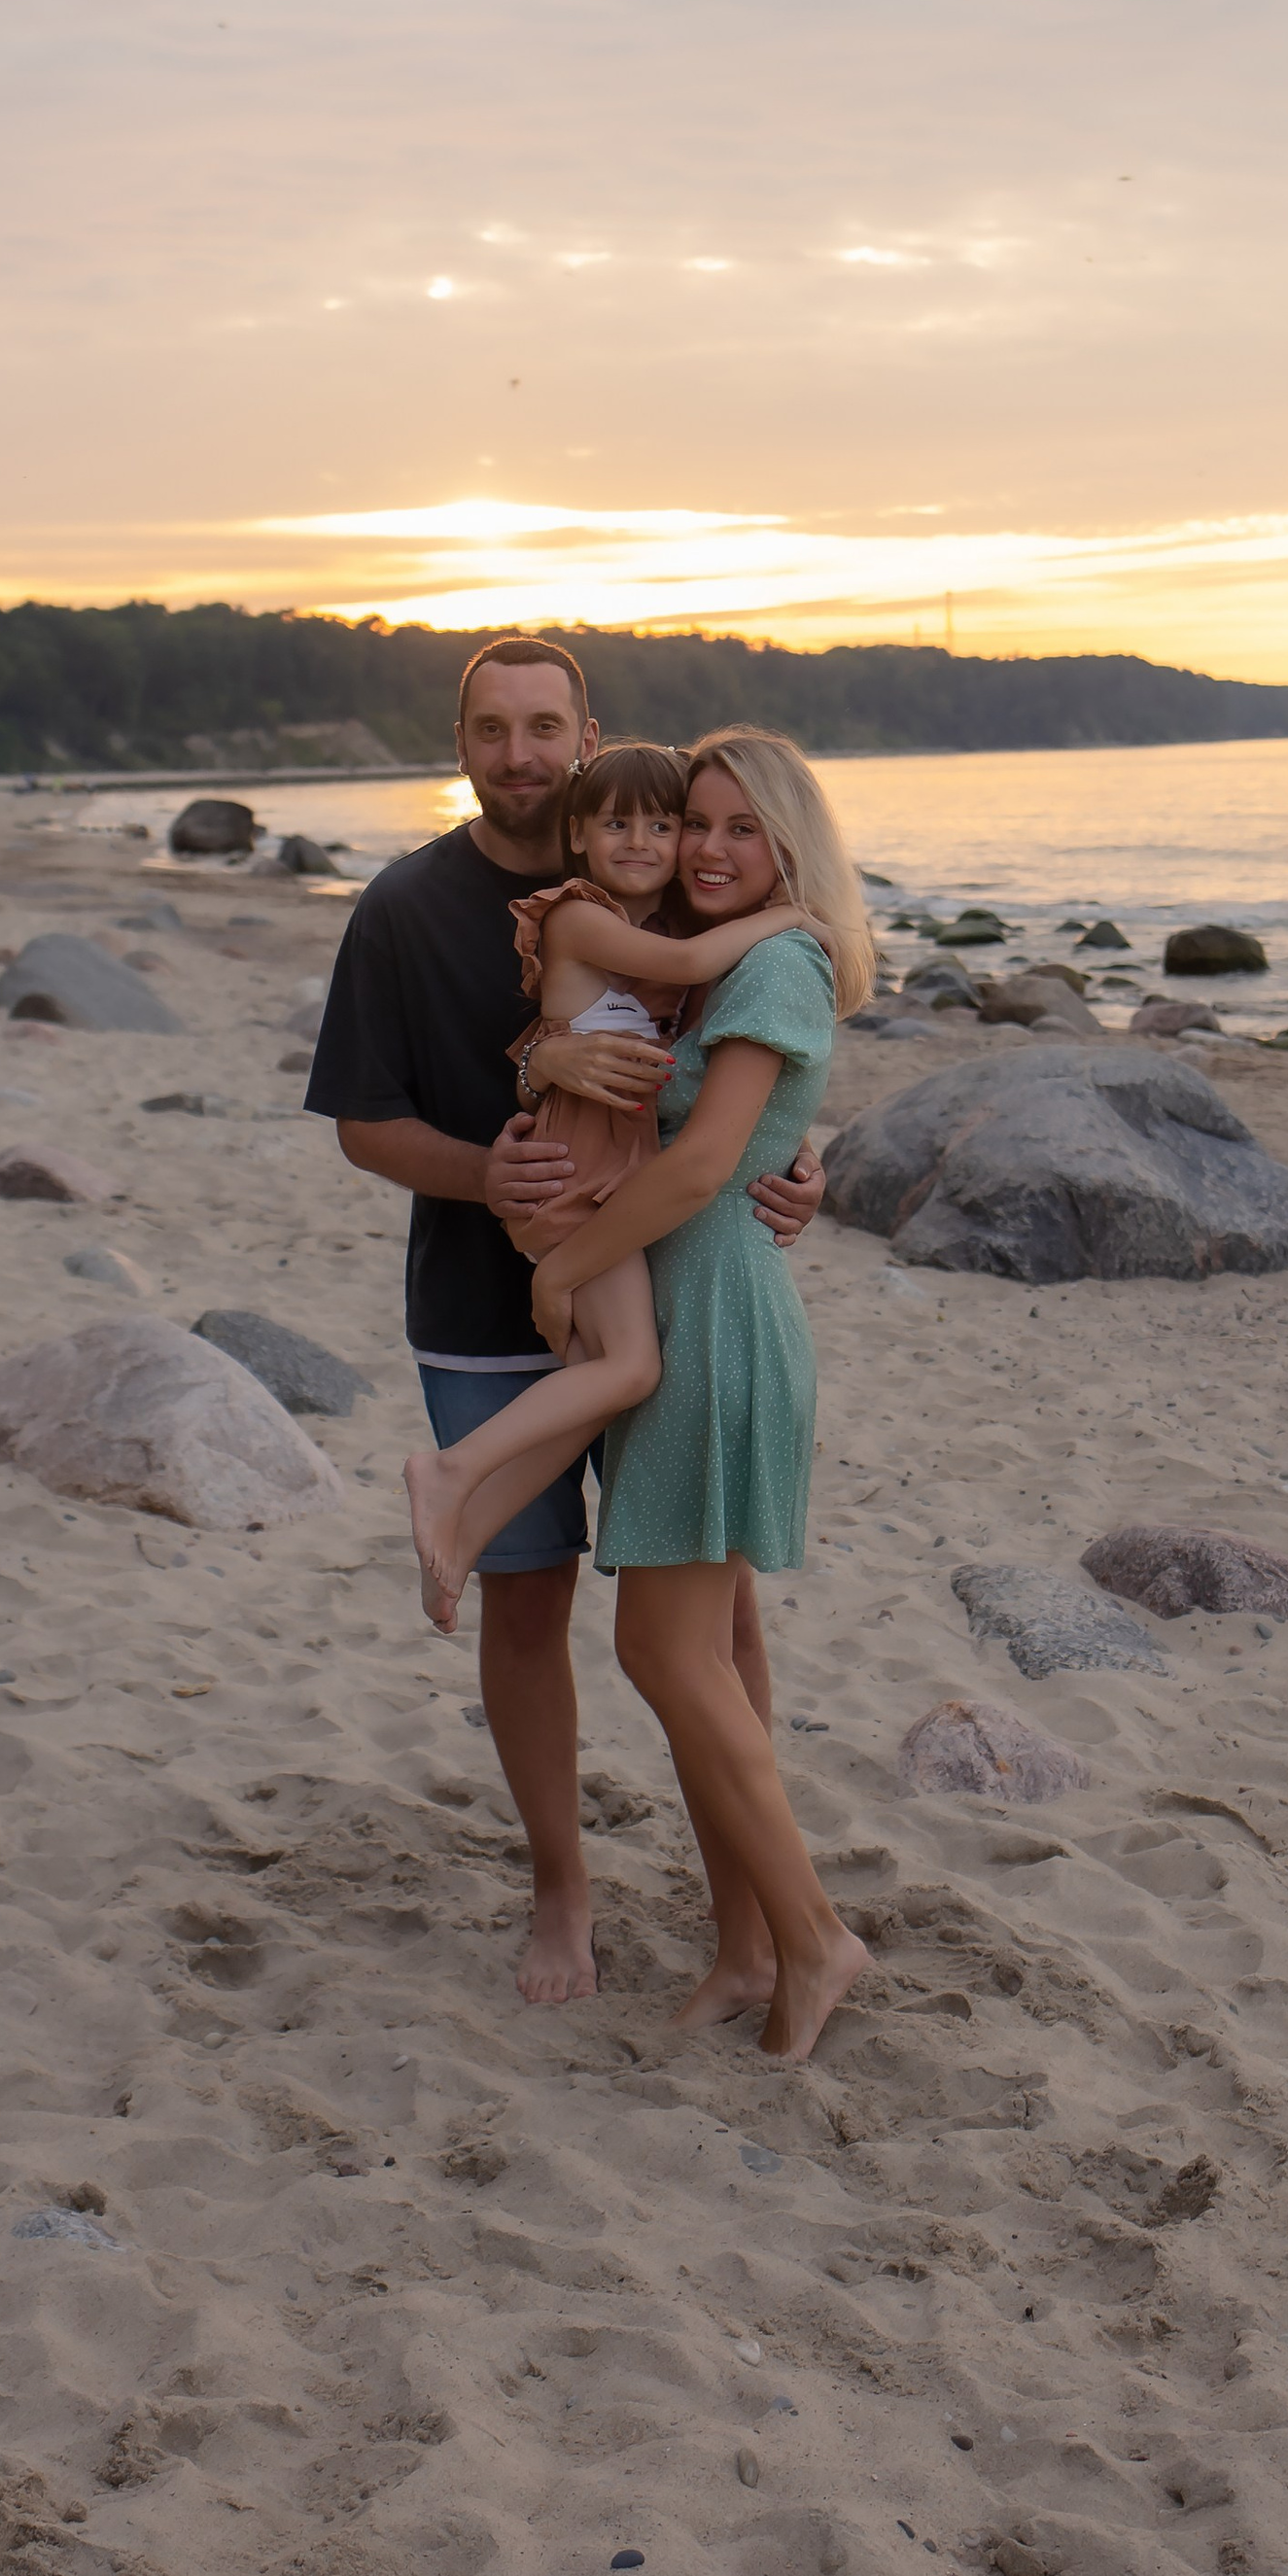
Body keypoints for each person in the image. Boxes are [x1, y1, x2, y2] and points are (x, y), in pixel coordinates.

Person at [304, 640, 824, 2005]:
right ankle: (561, 1893)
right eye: (492, 728)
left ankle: (749, 1924)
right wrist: (497, 1161)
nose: (521, 753)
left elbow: (735, 1083)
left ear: (587, 735)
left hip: (663, 1277)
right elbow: (362, 1124)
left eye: (546, 727)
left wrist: (801, 1164)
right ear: (460, 741)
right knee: (526, 1608)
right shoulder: (405, 909)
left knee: (721, 1627)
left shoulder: (666, 874)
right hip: (489, 1301)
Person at [526, 727, 875, 2065]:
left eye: (745, 830)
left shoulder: (776, 962)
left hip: (714, 1313)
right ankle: (745, 1947)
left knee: (664, 1653)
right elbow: (619, 1081)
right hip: (690, 1300)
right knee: (709, 1655)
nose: (713, 850)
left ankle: (814, 1936)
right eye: (700, 825)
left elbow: (699, 1166)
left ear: (792, 849)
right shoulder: (701, 963)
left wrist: (563, 1271)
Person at [403, 739, 822, 1628]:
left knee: (598, 1381)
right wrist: (795, 918)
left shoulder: (659, 926)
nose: (648, 840)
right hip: (581, 1173)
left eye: (663, 825)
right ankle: (451, 1472)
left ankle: (465, 1526)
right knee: (630, 1368)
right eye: (619, 822)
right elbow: (687, 974)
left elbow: (709, 1064)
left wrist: (794, 1141)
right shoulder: (580, 914)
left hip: (607, 1166)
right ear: (580, 835)